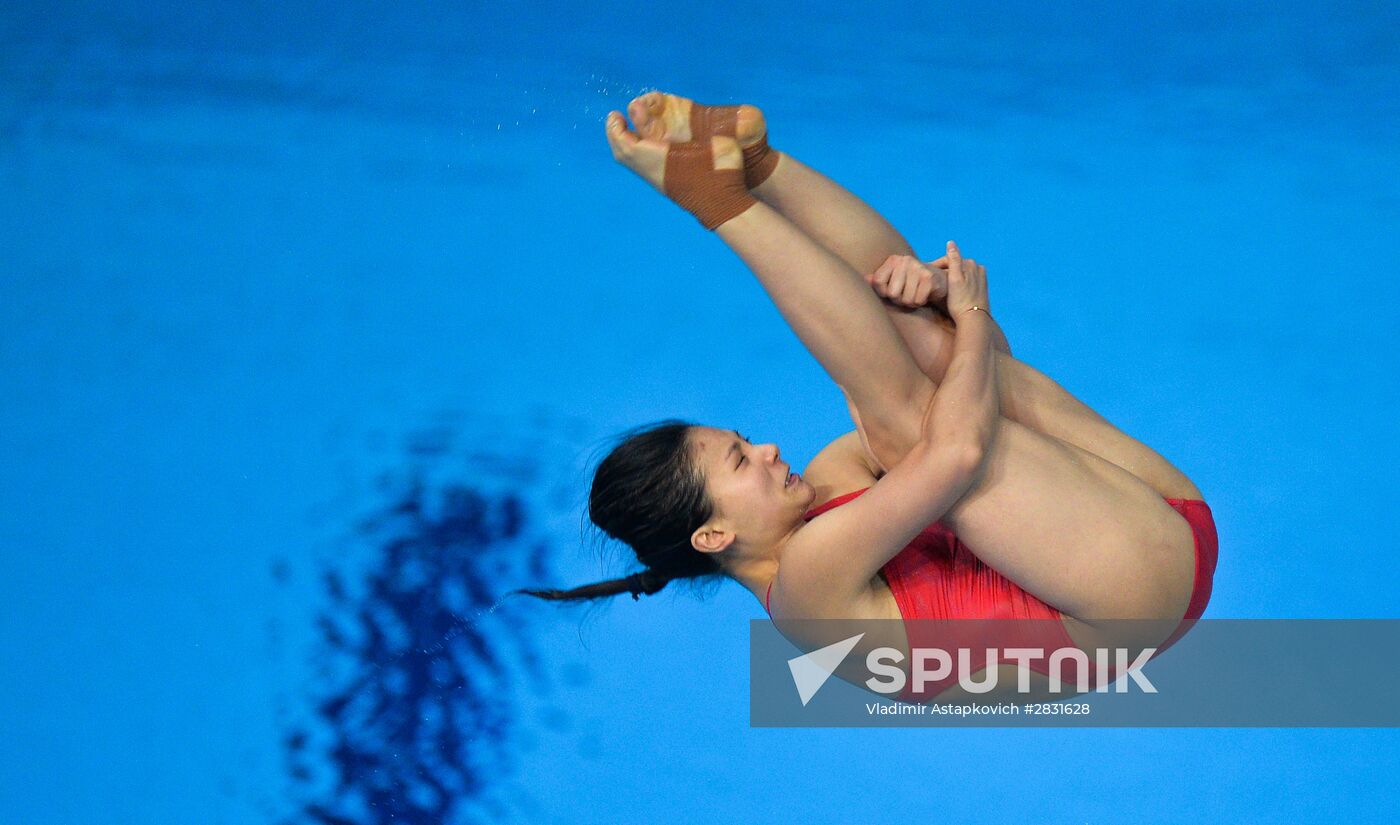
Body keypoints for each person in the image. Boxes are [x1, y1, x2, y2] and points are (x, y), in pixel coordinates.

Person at [518, 92, 1217, 702]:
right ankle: (717, 197)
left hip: (1159, 521)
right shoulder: (807, 594)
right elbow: (957, 448)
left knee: (923, 357)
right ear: (713, 536)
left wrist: (945, 304)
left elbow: (969, 387)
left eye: (744, 442)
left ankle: (756, 163)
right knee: (910, 421)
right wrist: (973, 315)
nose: (766, 449)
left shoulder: (825, 490)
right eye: (740, 462)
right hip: (1134, 598)